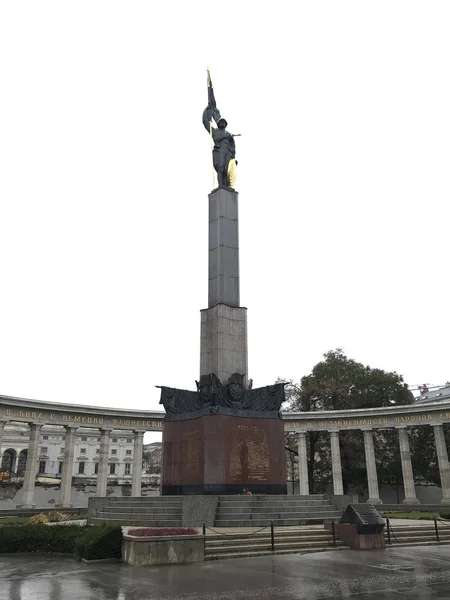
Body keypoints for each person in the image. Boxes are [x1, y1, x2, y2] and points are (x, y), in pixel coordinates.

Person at [202, 70, 237, 188]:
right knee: (220, 169)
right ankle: (220, 186)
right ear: (219, 123)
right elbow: (206, 123)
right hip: (220, 151)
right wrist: (207, 111)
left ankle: (225, 187)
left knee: (227, 171)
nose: (222, 123)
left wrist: (234, 158)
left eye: (223, 122)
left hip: (228, 153)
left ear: (225, 124)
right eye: (220, 122)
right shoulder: (215, 132)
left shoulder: (229, 135)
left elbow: (233, 147)